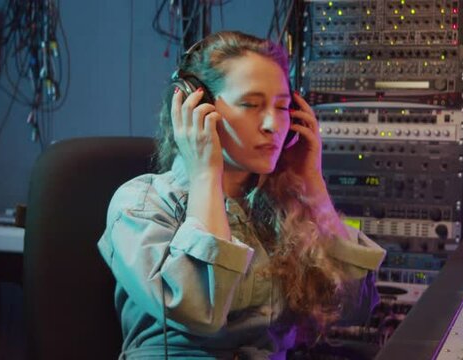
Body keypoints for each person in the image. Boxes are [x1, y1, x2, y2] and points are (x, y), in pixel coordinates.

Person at [97, 31, 386, 359]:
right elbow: (199, 311)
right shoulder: (142, 204)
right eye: (251, 104)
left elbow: (353, 310)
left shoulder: (281, 207)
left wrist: (312, 187)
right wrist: (206, 175)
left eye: (283, 107)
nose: (272, 124)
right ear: (197, 107)